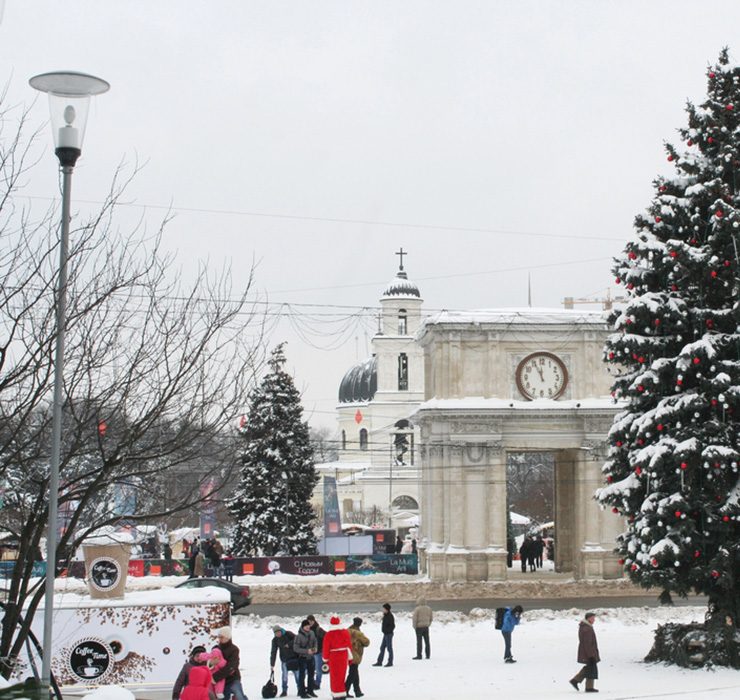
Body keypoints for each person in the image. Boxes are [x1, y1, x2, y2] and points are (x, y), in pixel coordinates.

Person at [211, 626, 248, 700]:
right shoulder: (216, 649)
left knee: (239, 694)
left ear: (227, 637)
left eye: (222, 637)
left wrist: (215, 677)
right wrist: (211, 663)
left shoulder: (234, 649)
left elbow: (231, 666)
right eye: (219, 637)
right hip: (220, 681)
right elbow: (210, 662)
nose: (219, 639)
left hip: (232, 678)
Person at [569, 612, 601, 693]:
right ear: (588, 618)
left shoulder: (586, 627)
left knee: (590, 668)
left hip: (588, 652)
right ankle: (579, 682)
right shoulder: (587, 629)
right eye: (593, 618)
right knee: (591, 668)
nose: (594, 620)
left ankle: (585, 685)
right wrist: (591, 655)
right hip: (588, 652)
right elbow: (587, 643)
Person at [323, 615, 353, 700]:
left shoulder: (328, 634)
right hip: (343, 656)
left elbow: (326, 648)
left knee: (334, 677)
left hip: (333, 657)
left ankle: (336, 694)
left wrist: (325, 658)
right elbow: (349, 646)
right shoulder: (345, 632)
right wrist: (350, 658)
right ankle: (342, 693)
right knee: (342, 676)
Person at [270, 625, 299, 698]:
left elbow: (297, 639)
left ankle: (300, 689)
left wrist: (289, 644)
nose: (278, 634)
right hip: (284, 660)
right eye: (276, 633)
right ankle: (284, 690)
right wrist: (272, 664)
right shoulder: (275, 640)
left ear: (281, 631)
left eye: (278, 632)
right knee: (284, 676)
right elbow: (273, 652)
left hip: (294, 658)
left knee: (297, 675)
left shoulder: (288, 634)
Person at [345, 617, 369, 699]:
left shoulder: (348, 630)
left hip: (349, 655)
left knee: (355, 673)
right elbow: (366, 642)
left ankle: (357, 691)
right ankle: (345, 690)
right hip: (355, 655)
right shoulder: (358, 632)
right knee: (352, 674)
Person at [293, 619, 318, 698]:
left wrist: (315, 648)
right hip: (302, 658)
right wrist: (307, 651)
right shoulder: (298, 636)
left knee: (311, 675)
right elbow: (296, 648)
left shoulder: (312, 633)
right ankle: (302, 692)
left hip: (311, 658)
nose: (308, 627)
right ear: (303, 627)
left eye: (308, 626)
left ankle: (310, 691)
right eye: (306, 626)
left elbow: (315, 641)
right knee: (302, 676)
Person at [306, 614, 326, 690]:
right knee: (310, 669)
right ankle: (311, 683)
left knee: (318, 669)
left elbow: (326, 637)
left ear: (314, 621)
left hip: (318, 652)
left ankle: (317, 683)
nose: (310, 622)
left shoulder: (318, 629)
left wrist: (322, 647)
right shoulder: (306, 629)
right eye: (309, 621)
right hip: (309, 652)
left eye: (311, 621)